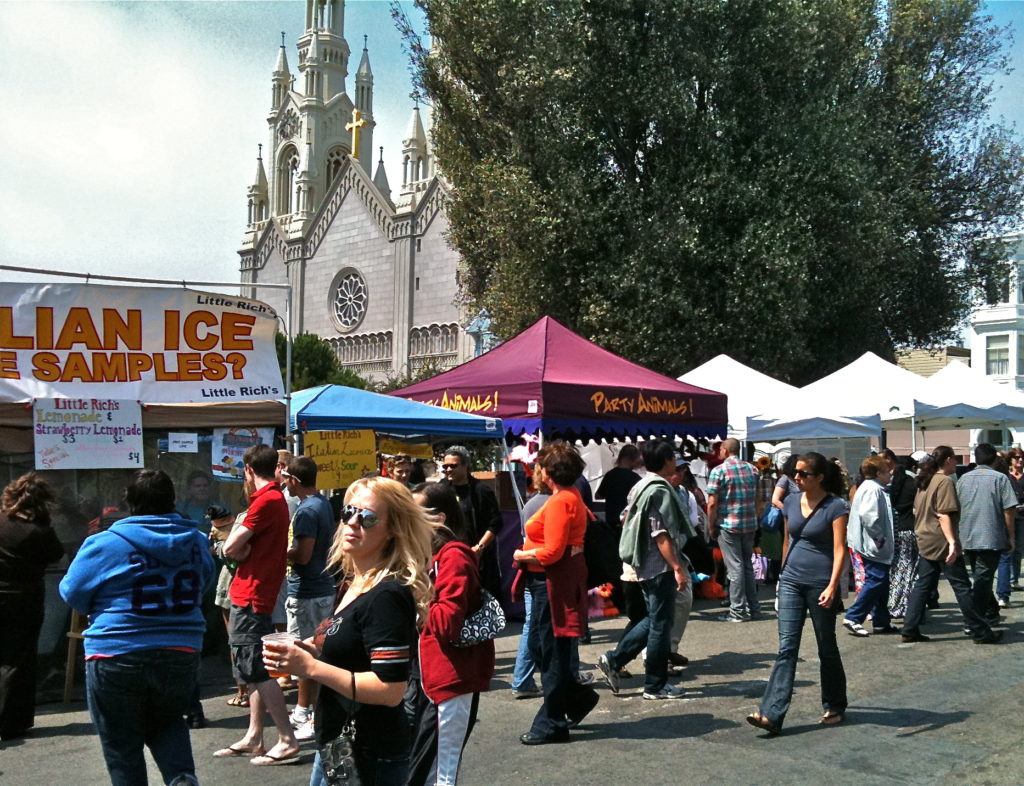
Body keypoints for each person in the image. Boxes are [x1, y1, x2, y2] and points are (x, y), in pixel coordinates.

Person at [262, 477, 432, 786]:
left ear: (392, 529)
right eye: (348, 512)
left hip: (369, 750)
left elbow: (390, 690)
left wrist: (311, 667)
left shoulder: (387, 595)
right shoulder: (352, 582)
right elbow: (351, 649)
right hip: (337, 741)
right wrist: (311, 648)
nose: (353, 522)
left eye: (367, 517)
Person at [59, 469, 216, 785]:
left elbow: (72, 593)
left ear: (129, 502)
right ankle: (182, 777)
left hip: (116, 651)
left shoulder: (104, 543)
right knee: (169, 723)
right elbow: (205, 584)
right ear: (172, 500)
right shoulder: (197, 541)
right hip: (180, 648)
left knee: (121, 743)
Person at [746, 452, 849, 735]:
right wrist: (780, 577)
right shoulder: (789, 502)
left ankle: (835, 704)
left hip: (820, 583)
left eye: (803, 474)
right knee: (787, 647)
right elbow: (787, 541)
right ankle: (771, 714)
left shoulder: (835, 506)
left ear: (819, 478)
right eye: (796, 473)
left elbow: (841, 549)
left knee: (825, 645)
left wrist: (833, 585)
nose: (797, 478)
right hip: (791, 580)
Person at [217, 443, 300, 766]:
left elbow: (230, 547)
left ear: (249, 470)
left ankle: (286, 738)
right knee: (250, 668)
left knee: (256, 668)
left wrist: (237, 546)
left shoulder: (265, 501)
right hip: (253, 592)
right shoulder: (272, 500)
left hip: (252, 594)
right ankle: (254, 735)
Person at [407, 482, 494, 786]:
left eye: (413, 512)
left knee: (440, 772)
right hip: (430, 676)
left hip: (450, 678)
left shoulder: (454, 557)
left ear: (439, 519)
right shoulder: (430, 556)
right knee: (420, 767)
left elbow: (446, 624)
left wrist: (417, 590)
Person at [512, 441, 599, 744]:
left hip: (552, 583)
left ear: (547, 471)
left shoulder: (563, 499)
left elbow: (551, 552)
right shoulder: (566, 496)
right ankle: (575, 700)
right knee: (543, 649)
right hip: (550, 582)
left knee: (550, 653)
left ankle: (551, 723)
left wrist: (522, 555)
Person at [598, 439, 691, 701]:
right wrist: (676, 567)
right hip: (657, 565)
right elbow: (660, 533)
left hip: (640, 563)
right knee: (661, 624)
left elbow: (623, 517)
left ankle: (614, 659)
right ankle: (654, 684)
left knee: (654, 619)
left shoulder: (640, 485)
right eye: (672, 458)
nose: (675, 462)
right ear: (665, 461)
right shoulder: (659, 490)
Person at [900, 446, 1002, 645]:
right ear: (947, 460)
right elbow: (944, 514)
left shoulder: (925, 481)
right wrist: (953, 542)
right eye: (954, 459)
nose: (956, 463)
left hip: (925, 538)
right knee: (961, 586)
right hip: (941, 540)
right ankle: (980, 631)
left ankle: (909, 627)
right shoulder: (944, 481)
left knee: (923, 584)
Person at [0, 473, 65, 741]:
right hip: (23, 598)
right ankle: (11, 720)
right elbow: (55, 554)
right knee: (18, 659)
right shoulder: (39, 531)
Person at [282, 455, 340, 742]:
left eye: (287, 479)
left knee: (305, 653)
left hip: (309, 591)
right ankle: (306, 709)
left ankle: (308, 713)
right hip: (320, 588)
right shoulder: (323, 503)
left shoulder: (307, 510)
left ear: (294, 479)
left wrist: (279, 551)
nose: (285, 485)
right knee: (315, 649)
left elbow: (303, 555)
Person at [956, 443, 1016, 624]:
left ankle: (990, 611)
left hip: (967, 535)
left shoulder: (963, 479)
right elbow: (1008, 509)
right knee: (983, 579)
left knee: (980, 576)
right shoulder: (1000, 478)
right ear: (994, 459)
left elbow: (956, 507)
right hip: (991, 535)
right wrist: (1011, 536)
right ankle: (976, 621)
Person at [842, 456, 898, 636]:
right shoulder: (873, 489)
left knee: (881, 582)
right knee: (877, 580)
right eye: (886, 470)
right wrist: (879, 538)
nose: (890, 474)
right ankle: (854, 616)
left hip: (871, 543)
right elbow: (869, 517)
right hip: (873, 544)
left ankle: (882, 621)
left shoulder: (870, 488)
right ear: (878, 473)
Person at [707, 438, 761, 622]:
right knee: (746, 565)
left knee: (735, 567)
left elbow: (712, 503)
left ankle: (737, 611)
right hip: (749, 523)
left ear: (724, 450)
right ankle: (754, 608)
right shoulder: (752, 469)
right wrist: (756, 517)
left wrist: (710, 525)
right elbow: (758, 498)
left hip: (728, 524)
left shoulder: (719, 471)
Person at [440, 446, 504, 598]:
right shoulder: (441, 488)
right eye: (445, 466)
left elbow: (495, 523)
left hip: (477, 557)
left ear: (466, 465)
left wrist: (479, 547)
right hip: (449, 555)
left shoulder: (481, 490)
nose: (448, 469)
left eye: (453, 466)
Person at [208, 502, 249, 708]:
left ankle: (243, 691)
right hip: (246, 581)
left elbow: (218, 553)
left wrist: (217, 544)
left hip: (231, 584)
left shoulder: (223, 533)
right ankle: (249, 689)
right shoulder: (244, 523)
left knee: (235, 639)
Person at [882, 450, 918, 618]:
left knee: (895, 569)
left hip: (892, 531)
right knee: (908, 569)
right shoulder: (912, 483)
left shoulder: (887, 486)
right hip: (909, 529)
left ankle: (893, 603)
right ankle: (903, 605)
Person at [997, 447, 1024, 602]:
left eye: (1021, 457)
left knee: (1019, 548)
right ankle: (1007, 582)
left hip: (1021, 516)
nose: (1019, 460)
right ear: (1011, 460)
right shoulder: (1005, 477)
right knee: (1008, 550)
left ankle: (1014, 579)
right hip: (1008, 516)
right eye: (1016, 457)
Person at [596, 444, 643, 533]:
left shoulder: (609, 475)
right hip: (627, 524)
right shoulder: (635, 478)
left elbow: (598, 495)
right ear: (631, 459)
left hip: (610, 524)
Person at [178, 470, 215, 535]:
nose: (202, 489)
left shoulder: (220, 509)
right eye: (198, 486)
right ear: (189, 489)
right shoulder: (179, 509)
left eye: (205, 485)